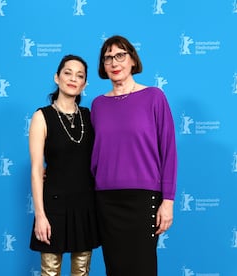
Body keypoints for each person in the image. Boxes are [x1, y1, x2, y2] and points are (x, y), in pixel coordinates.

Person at [90, 35, 178, 276]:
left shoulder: (154, 97)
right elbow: (89, 152)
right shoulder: (97, 105)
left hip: (143, 199)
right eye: (108, 58)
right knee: (115, 269)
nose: (114, 62)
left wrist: (167, 201)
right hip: (106, 200)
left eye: (120, 55)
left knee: (142, 268)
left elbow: (168, 150)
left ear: (132, 60)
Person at [29, 54, 100, 276]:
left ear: (85, 84)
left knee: (82, 271)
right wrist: (40, 215)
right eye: (67, 73)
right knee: (50, 271)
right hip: (53, 206)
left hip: (85, 205)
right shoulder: (42, 116)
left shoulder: (90, 116)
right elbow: (36, 170)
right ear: (57, 78)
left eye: (79, 75)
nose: (73, 78)